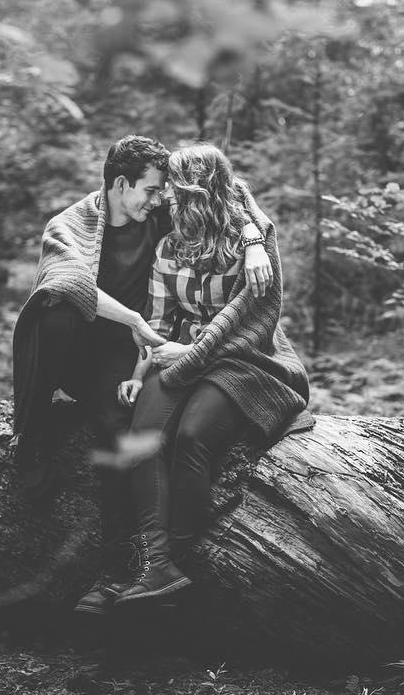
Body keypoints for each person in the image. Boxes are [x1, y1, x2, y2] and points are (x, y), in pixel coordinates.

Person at [10, 135, 273, 615]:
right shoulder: (71, 223)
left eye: (162, 193)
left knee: (119, 432)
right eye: (150, 191)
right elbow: (66, 282)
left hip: (135, 351)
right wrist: (131, 319)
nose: (159, 201)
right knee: (53, 312)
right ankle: (32, 430)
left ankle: (117, 571)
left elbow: (230, 191)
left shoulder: (160, 215)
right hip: (76, 348)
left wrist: (255, 241)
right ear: (120, 183)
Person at [105, 143, 313, 606]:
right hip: (179, 352)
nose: (164, 203)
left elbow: (245, 317)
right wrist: (140, 370)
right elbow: (156, 320)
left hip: (242, 358)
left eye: (174, 194)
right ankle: (156, 564)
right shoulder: (168, 244)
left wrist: (258, 241)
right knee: (142, 436)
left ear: (198, 194)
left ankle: (180, 555)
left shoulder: (252, 243)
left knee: (193, 437)